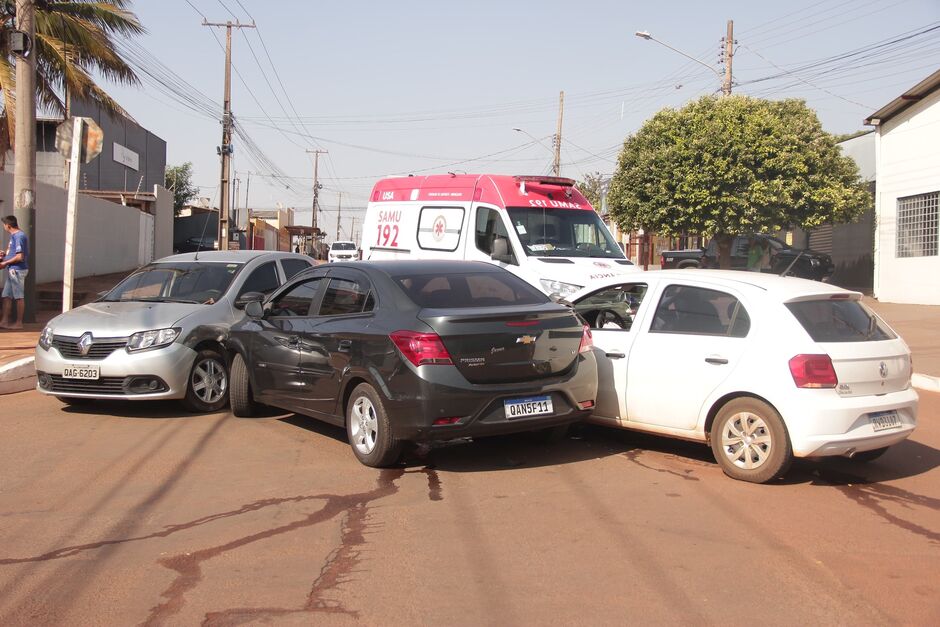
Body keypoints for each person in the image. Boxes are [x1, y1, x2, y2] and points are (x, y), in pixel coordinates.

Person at [1, 215, 29, 329]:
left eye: (4, 225)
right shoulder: (14, 236)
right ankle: (4, 321)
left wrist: (4, 263)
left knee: (18, 297)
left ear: (8, 225)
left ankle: (18, 323)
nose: (3, 227)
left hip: (17, 270)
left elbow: (20, 257)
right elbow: (13, 252)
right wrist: (5, 256)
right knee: (6, 296)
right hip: (12, 270)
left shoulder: (19, 236)